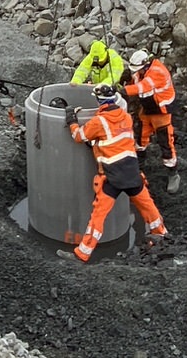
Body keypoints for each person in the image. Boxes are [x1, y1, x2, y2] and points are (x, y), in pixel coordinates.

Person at [68, 83, 167, 262]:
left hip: (111, 177)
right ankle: (162, 238)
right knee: (149, 208)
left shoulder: (99, 121)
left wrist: (72, 121)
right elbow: (115, 140)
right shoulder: (126, 117)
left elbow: (79, 136)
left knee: (98, 216)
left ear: (98, 100)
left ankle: (82, 253)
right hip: (132, 172)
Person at [123, 49, 178, 168]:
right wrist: (127, 80)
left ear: (146, 65)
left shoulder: (158, 72)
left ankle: (172, 170)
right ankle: (140, 163)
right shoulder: (142, 71)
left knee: (165, 141)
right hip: (148, 107)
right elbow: (136, 81)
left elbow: (142, 87)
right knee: (141, 134)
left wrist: (124, 90)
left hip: (161, 110)